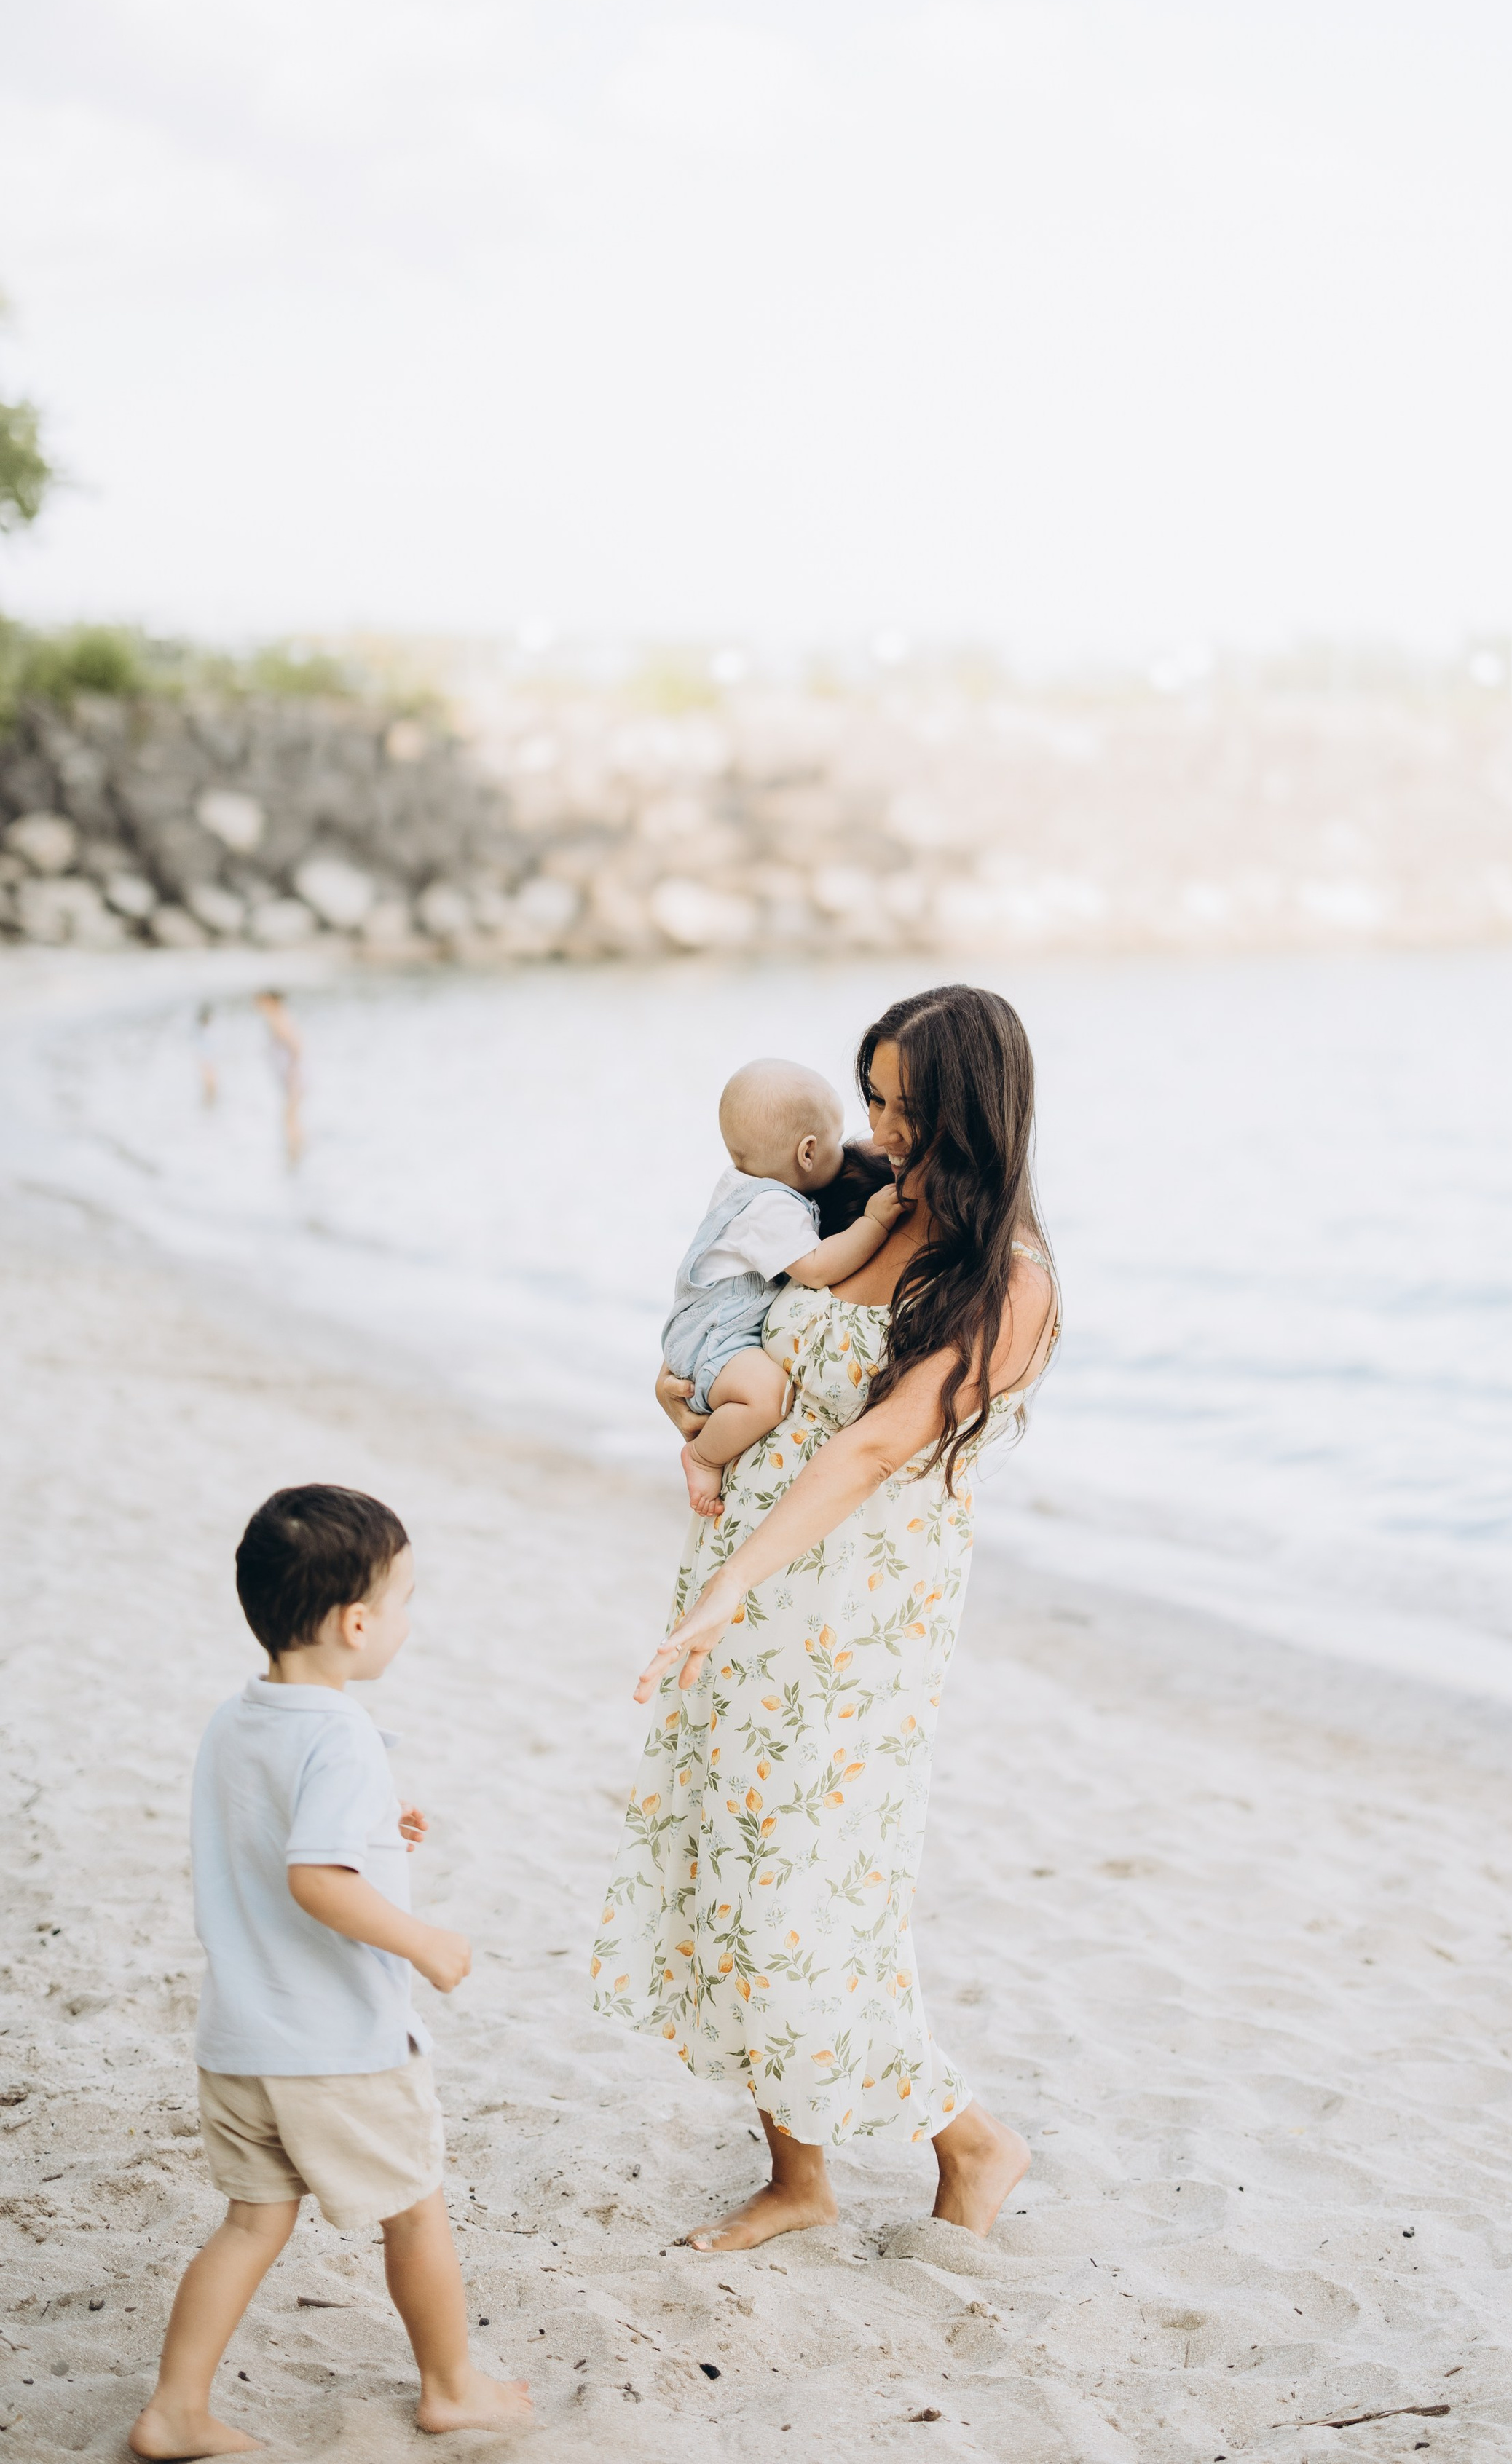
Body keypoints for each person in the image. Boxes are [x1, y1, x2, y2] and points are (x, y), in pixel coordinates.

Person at [591, 984, 1060, 2253]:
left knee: (811, 1894)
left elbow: (869, 1452)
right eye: (874, 1097)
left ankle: (970, 2137)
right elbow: (753, 1337)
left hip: (851, 1627)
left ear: (977, 1107)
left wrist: (741, 1582)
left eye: (908, 1106)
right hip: (738, 1591)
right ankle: (799, 2177)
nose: (883, 1127)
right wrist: (687, 1414)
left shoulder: (1005, 1282)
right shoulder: (853, 1202)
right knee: (733, 1875)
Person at [130, 1486, 531, 2459]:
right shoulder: (343, 1734)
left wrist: (375, 1827)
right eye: (404, 1601)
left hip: (241, 2040)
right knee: (415, 2207)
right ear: (358, 1623)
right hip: (336, 2045)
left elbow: (268, 1833)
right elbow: (315, 1878)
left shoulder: (240, 1719)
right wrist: (419, 1937)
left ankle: (175, 2408)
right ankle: (450, 2385)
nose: (405, 1621)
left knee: (251, 2225)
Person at [663, 1057, 905, 1517]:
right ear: (808, 1152)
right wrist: (873, 1222)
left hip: (705, 1328)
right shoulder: (771, 1208)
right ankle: (701, 1455)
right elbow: (815, 1268)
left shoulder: (747, 1187)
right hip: (716, 1338)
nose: (854, 1144)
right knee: (767, 1395)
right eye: (837, 1142)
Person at [253, 989, 304, 1169]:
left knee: (289, 1116)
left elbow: (294, 1045)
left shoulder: (277, 1018)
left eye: (261, 1001)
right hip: (291, 1072)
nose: (258, 1006)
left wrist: (292, 1069)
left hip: (291, 1073)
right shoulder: (281, 1016)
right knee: (292, 1115)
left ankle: (294, 1155)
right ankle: (296, 1153)